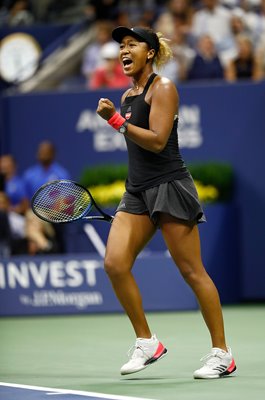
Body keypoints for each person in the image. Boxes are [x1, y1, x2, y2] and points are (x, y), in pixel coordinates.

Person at [96, 25, 237, 379]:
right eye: (121, 46)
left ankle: (222, 353)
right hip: (137, 192)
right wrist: (119, 117)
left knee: (192, 271)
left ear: (151, 52)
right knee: (114, 263)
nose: (124, 51)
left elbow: (158, 141)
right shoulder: (128, 96)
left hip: (170, 186)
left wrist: (115, 121)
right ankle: (147, 342)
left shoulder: (164, 88)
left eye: (132, 45)